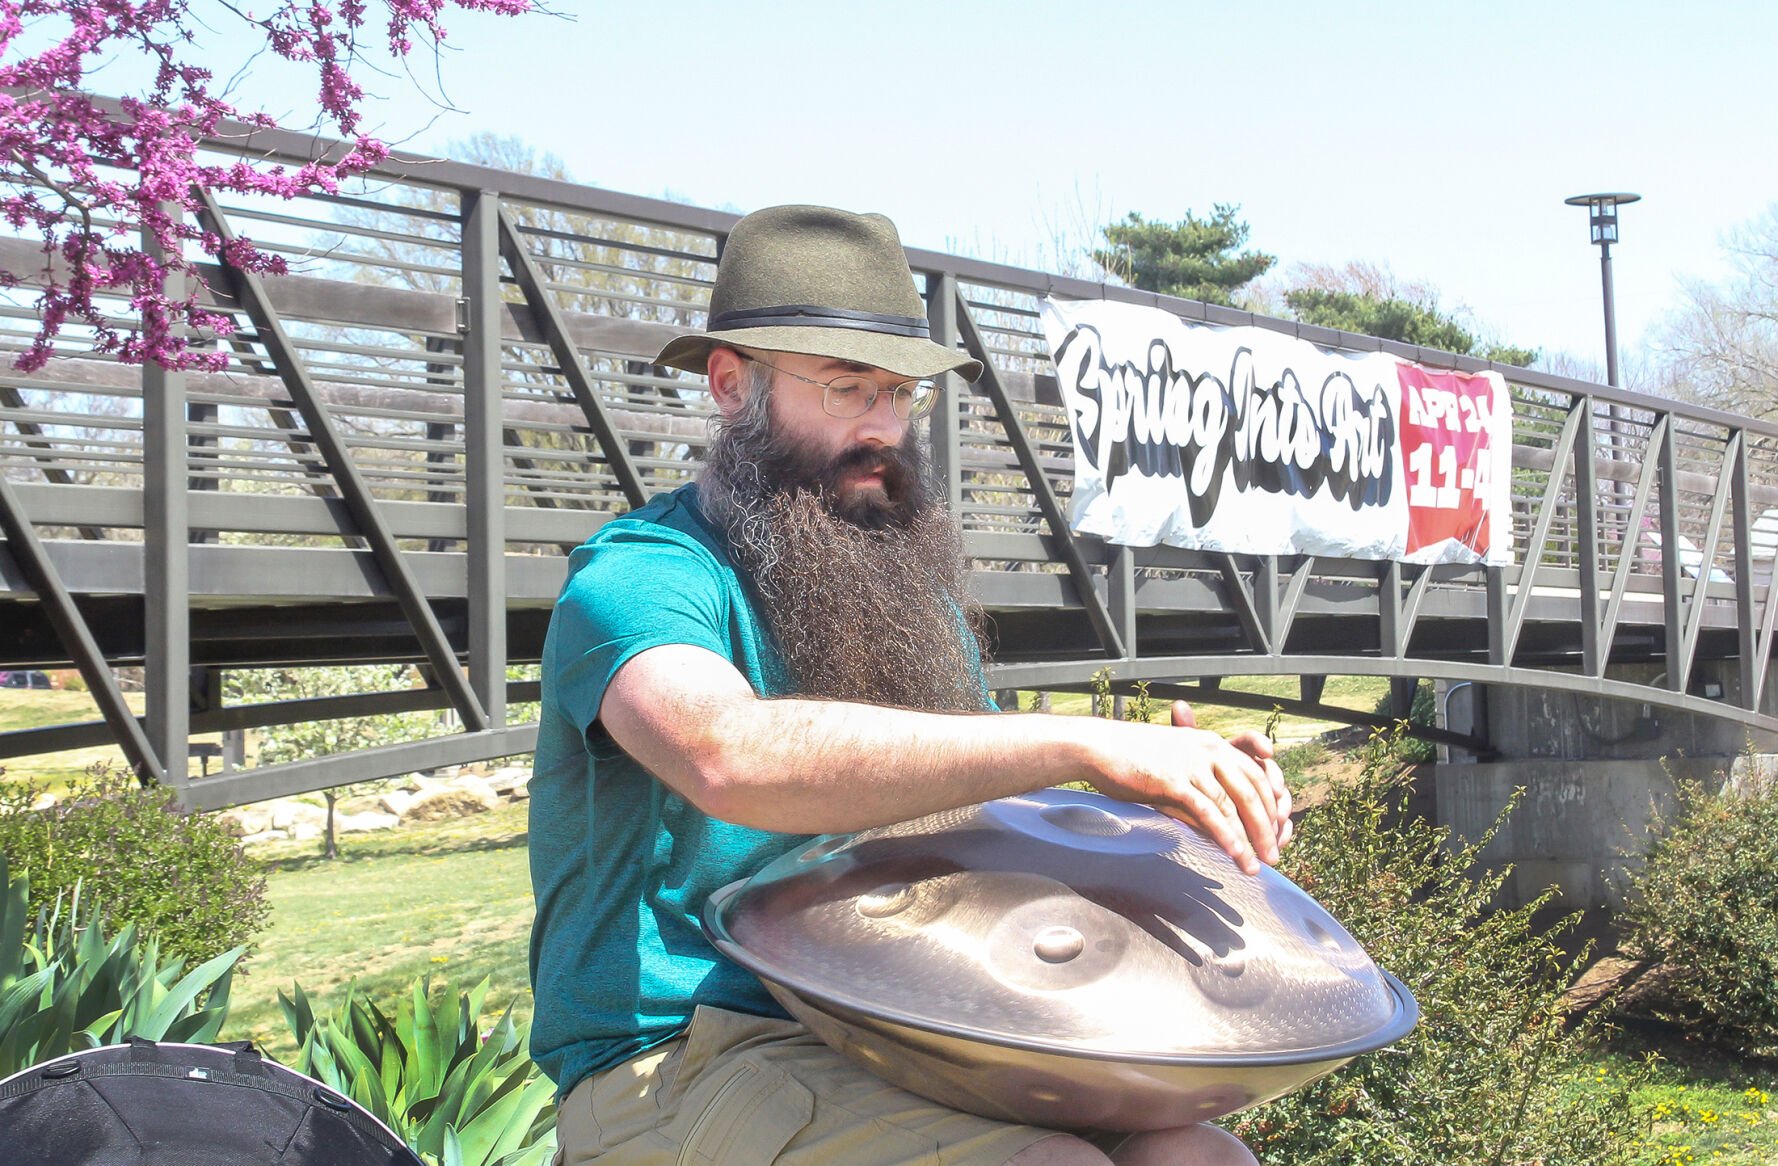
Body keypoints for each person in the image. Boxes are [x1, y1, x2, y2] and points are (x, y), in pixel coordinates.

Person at [529, 204, 1292, 1166]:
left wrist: (1153, 805)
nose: (883, 427)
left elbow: (970, 799)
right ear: (731, 386)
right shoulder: (641, 580)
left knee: (1200, 1156)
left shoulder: (899, 590)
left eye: (899, 394)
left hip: (897, 1023)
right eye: (849, 390)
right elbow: (726, 757)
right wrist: (1080, 740)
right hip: (680, 1058)